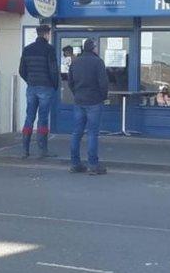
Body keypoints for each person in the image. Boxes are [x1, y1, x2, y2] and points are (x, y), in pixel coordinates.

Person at [68, 39, 109, 175]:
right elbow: (103, 83)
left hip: (79, 101)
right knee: (92, 133)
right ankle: (92, 165)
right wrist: (102, 97)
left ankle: (75, 164)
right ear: (93, 48)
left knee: (76, 133)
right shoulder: (98, 62)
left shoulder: (75, 62)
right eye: (96, 47)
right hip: (94, 101)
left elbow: (70, 82)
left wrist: (76, 93)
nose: (97, 49)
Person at [18, 24, 59, 158]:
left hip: (32, 87)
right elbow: (53, 70)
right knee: (42, 118)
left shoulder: (27, 49)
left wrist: (30, 80)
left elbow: (21, 70)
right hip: (45, 87)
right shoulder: (49, 49)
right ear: (46, 34)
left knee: (29, 117)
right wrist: (54, 85)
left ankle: (25, 150)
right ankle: (43, 150)